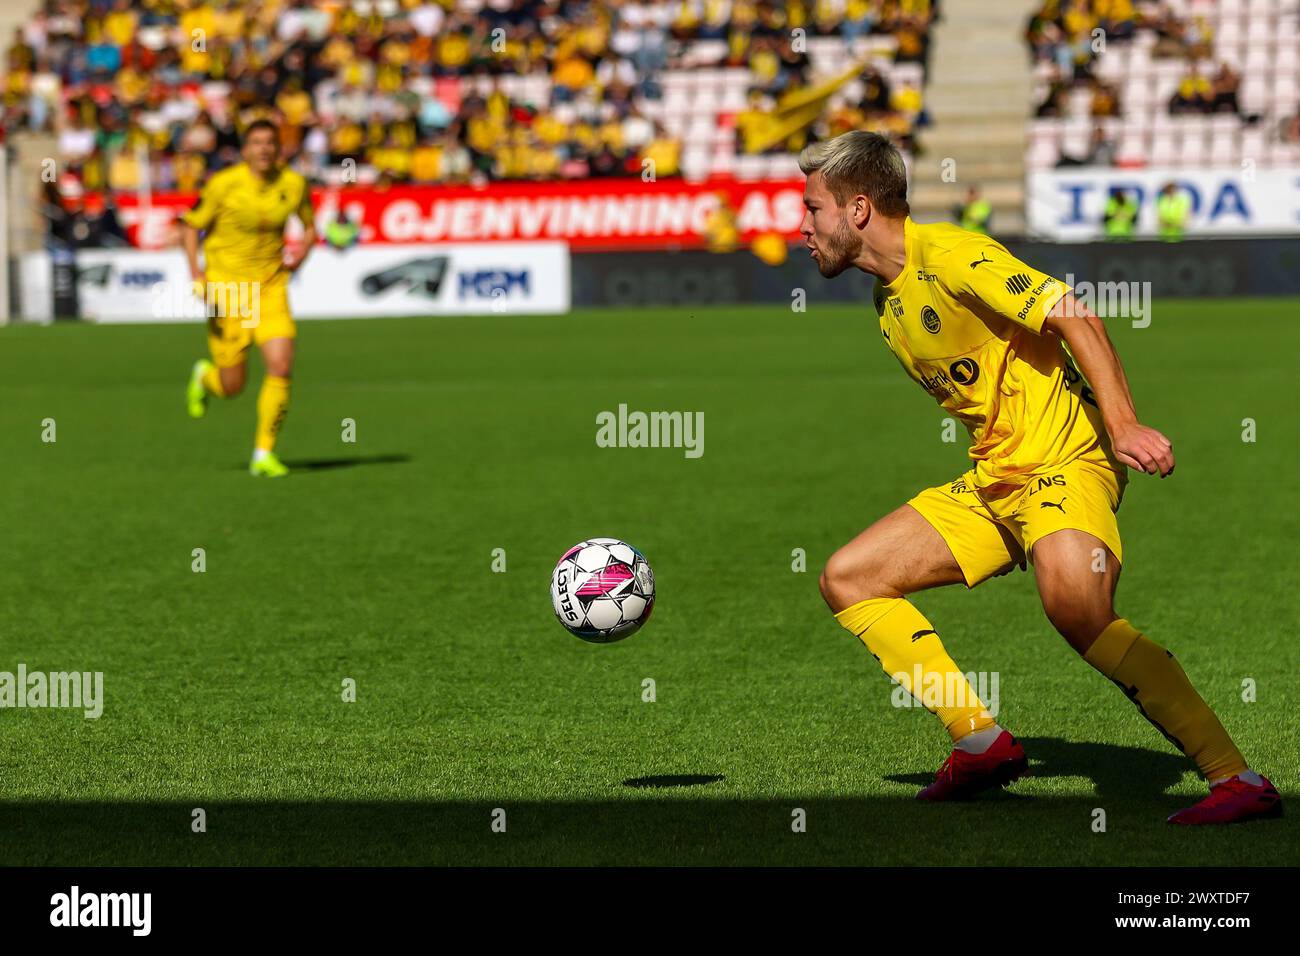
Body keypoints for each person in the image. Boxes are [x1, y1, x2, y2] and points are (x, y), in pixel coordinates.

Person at [796, 130, 1280, 824]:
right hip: (998, 480)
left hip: (1065, 461)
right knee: (850, 577)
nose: (801, 226)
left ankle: (1238, 781)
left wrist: (1123, 426)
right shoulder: (887, 302)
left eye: (813, 209)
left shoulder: (955, 254)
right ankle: (981, 742)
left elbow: (1072, 313)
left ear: (860, 209)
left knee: (1076, 610)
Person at [180, 119, 317, 477]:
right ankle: (204, 378)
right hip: (227, 291)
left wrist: (302, 253)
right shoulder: (223, 185)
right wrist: (197, 275)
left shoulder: (294, 184)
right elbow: (191, 226)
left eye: (270, 142)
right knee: (232, 386)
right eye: (256, 142)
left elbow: (310, 227)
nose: (264, 149)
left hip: (271, 288)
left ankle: (263, 454)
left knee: (281, 366)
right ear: (245, 150)